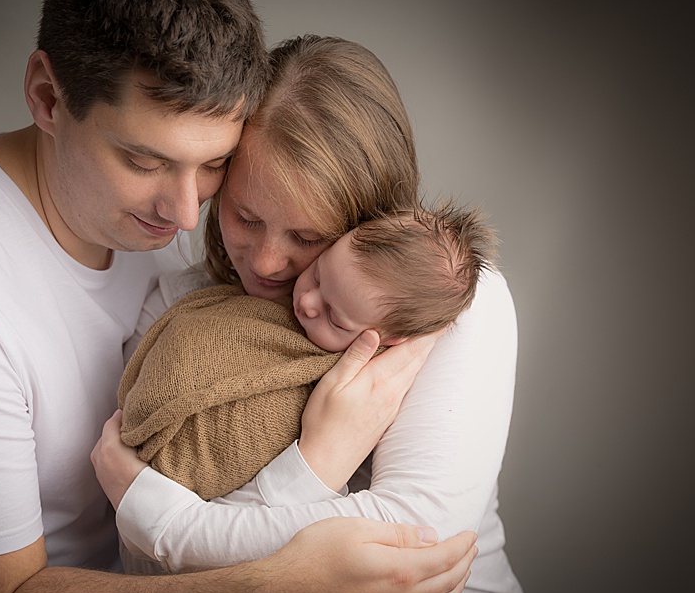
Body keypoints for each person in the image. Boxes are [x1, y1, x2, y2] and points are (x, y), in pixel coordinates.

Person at [0, 0, 476, 593]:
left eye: (214, 164)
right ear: (48, 97)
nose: (189, 214)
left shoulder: (207, 235)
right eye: (144, 161)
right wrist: (274, 583)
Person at [93, 34, 523, 593]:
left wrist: (169, 516)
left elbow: (412, 550)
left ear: (368, 221)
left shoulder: (446, 302)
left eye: (308, 236)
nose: (268, 263)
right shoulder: (182, 308)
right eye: (245, 217)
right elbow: (154, 578)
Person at [117, 205, 495, 507]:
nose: (308, 303)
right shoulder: (229, 296)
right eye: (317, 275)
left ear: (388, 340)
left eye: (334, 316)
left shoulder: (385, 375)